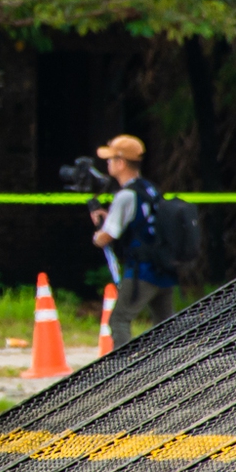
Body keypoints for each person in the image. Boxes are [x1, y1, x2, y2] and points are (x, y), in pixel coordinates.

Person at [89, 134, 177, 344]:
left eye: (110, 160)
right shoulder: (149, 189)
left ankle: (125, 372)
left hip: (142, 270)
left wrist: (97, 235)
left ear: (121, 163)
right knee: (166, 324)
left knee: (119, 319)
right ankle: (176, 367)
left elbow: (108, 236)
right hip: (164, 265)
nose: (108, 164)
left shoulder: (125, 195)